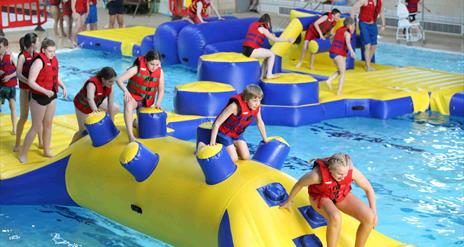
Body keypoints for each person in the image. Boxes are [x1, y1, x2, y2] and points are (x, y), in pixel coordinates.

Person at [280, 153, 377, 247]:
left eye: (345, 173)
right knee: (336, 217)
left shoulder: (350, 172)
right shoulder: (316, 175)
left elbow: (369, 189)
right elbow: (300, 184)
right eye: (340, 174)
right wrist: (289, 201)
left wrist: (374, 212)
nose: (344, 177)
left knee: (370, 217)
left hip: (340, 194)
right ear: (330, 170)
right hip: (321, 196)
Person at [19, 39, 68, 163]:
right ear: (43, 50)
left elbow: (54, 76)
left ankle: (46, 150)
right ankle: (23, 154)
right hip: (39, 98)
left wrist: (63, 86)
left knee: (48, 124)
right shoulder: (39, 62)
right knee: (36, 127)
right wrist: (45, 91)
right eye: (50, 51)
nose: (53, 54)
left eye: (54, 51)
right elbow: (30, 81)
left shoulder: (53, 60)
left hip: (51, 96)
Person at [206, 85, 268, 162]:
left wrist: (265, 139)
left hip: (236, 134)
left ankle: (232, 147)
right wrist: (212, 143)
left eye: (259, 100)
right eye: (254, 100)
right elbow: (217, 123)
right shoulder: (235, 106)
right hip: (224, 133)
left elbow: (259, 121)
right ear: (246, 99)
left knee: (246, 157)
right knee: (234, 158)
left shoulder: (256, 107)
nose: (257, 103)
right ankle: (210, 145)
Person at [116, 50, 165, 143]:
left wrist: (158, 103)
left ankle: (135, 122)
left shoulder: (160, 72)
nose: (154, 67)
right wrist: (126, 91)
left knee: (144, 129)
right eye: (152, 64)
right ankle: (130, 136)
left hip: (146, 102)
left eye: (157, 64)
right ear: (146, 61)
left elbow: (161, 90)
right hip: (134, 98)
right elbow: (119, 80)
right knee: (128, 103)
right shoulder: (136, 68)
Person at [71, 67, 119, 144]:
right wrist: (96, 111)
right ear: (103, 79)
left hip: (96, 103)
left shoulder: (110, 86)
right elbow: (90, 98)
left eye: (113, 81)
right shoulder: (92, 84)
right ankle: (71, 145)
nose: (112, 84)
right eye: (110, 81)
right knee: (83, 132)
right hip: (83, 106)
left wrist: (112, 124)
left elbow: (110, 105)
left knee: (115, 108)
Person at [14, 33, 44, 152]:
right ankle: (17, 143)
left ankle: (41, 141)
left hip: (35, 92)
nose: (39, 42)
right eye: (38, 41)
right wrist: (30, 82)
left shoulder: (37, 55)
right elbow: (18, 74)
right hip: (25, 91)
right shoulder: (22, 56)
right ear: (32, 44)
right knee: (24, 117)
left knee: (38, 118)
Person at [242, 14, 294, 79]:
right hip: (251, 50)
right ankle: (269, 74)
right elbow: (274, 39)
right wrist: (287, 40)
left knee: (267, 56)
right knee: (272, 54)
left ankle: (262, 76)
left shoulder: (253, 24)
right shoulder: (263, 28)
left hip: (244, 50)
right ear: (268, 22)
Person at [350, 0, 385, 72]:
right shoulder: (364, 1)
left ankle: (367, 63)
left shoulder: (379, 2)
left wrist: (383, 24)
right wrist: (352, 23)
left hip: (373, 24)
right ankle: (368, 66)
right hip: (364, 24)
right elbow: (353, 9)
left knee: (374, 45)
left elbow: (381, 12)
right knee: (367, 45)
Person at [325, 17, 356, 96]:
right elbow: (348, 44)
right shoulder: (347, 33)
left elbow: (331, 37)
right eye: (353, 25)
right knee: (343, 73)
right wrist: (352, 52)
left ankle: (329, 80)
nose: (354, 27)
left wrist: (332, 46)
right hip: (338, 53)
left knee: (340, 70)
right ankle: (339, 92)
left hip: (332, 53)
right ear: (349, 25)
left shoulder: (339, 29)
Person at [0, 37, 17, 135]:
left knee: (12, 106)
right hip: (1, 86)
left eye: (0, 47)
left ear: (6, 47)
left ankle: (14, 128)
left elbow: (18, 71)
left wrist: (9, 76)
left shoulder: (10, 57)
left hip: (10, 86)